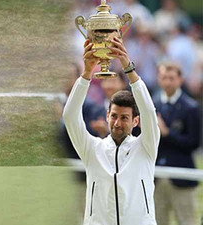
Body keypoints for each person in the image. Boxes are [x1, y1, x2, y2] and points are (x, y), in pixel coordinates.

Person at [62, 37, 160, 225]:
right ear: (107, 116)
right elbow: (70, 115)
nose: (117, 123)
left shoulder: (146, 146)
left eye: (124, 118)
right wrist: (87, 74)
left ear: (135, 121)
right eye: (114, 116)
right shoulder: (91, 148)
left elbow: (148, 111)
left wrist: (128, 69)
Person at [153, 62, 201, 225]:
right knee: (157, 221)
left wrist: (168, 133)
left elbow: (194, 143)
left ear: (180, 80)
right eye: (164, 78)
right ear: (158, 80)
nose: (167, 82)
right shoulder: (153, 105)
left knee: (186, 220)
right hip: (156, 177)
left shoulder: (191, 107)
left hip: (182, 176)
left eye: (171, 78)